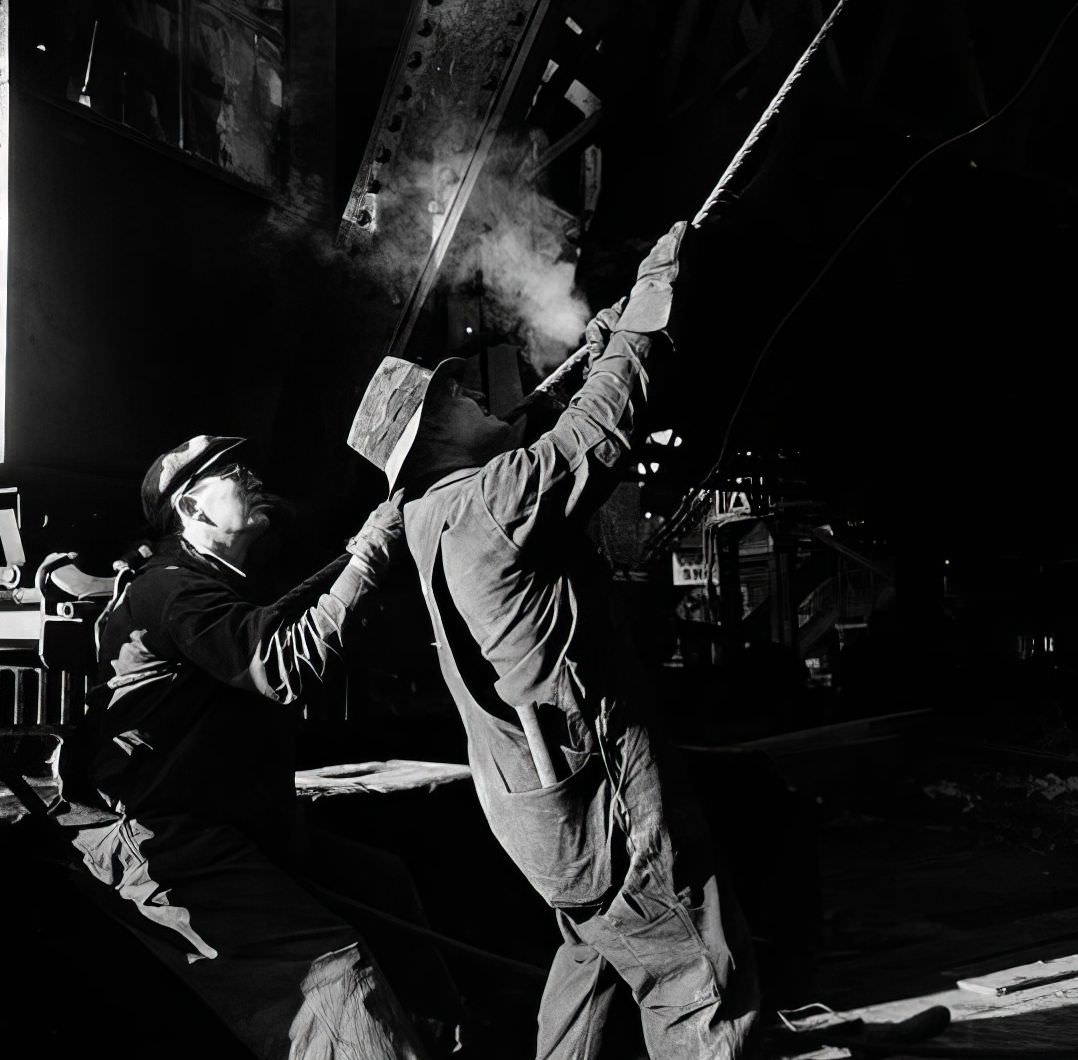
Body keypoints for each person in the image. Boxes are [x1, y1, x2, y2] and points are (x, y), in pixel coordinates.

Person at [351, 223, 760, 1058]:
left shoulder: (435, 516)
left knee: (595, 962)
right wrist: (649, 301)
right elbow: (595, 429)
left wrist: (603, 335)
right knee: (697, 983)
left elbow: (543, 433)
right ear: (431, 439)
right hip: (606, 807)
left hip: (545, 823)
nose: (481, 401)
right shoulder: (493, 501)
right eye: (461, 401)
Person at [69, 434, 445, 1060]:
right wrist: (370, 554)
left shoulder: (207, 583)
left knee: (379, 883)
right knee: (332, 973)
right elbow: (283, 664)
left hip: (225, 819)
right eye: (229, 472)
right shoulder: (173, 591)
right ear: (191, 510)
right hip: (166, 836)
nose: (250, 476)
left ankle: (439, 1040)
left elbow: (276, 622)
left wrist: (359, 550)